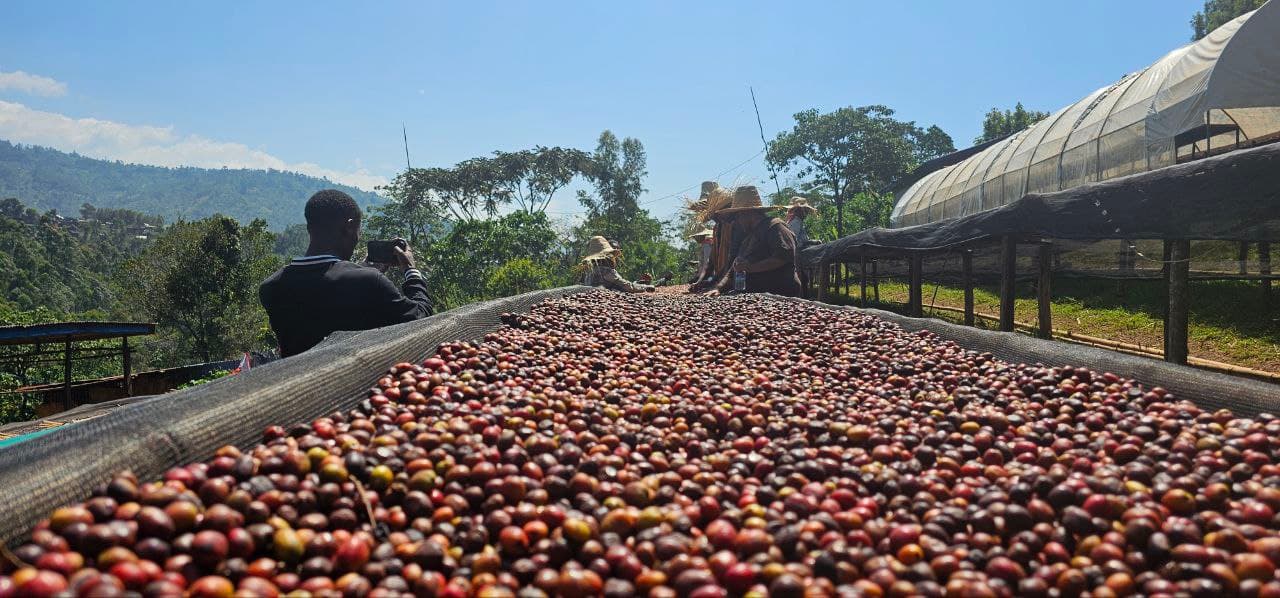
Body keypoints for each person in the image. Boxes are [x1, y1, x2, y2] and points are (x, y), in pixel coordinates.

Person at [259, 189, 433, 357]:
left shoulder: (271, 287)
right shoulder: (368, 282)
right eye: (358, 230)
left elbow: (320, 290)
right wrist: (411, 270)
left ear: (310, 227)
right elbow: (419, 318)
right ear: (349, 227)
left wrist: (358, 270)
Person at [709, 186, 801, 297]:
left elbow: (782, 258)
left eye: (738, 216)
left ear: (747, 213)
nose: (737, 221)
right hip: (756, 296)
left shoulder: (775, 226)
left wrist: (749, 268)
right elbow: (734, 268)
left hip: (779, 294)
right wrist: (719, 288)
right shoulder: (749, 237)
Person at [580, 236, 655, 292]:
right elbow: (627, 286)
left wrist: (638, 282)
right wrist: (645, 287)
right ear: (607, 257)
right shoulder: (605, 271)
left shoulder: (589, 271)